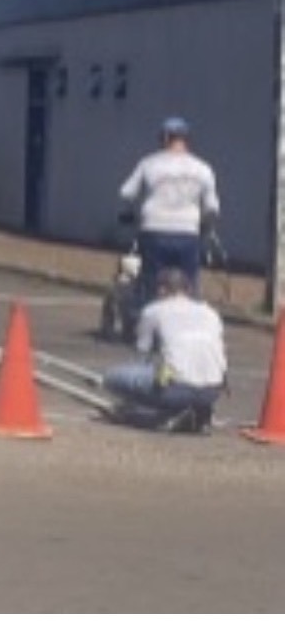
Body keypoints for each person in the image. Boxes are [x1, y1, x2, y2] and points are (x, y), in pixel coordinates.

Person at [102, 267, 227, 434]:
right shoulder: (210, 312)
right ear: (188, 289)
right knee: (171, 373)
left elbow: (142, 352)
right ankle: (198, 410)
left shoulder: (153, 310)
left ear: (161, 290)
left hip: (177, 388)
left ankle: (161, 413)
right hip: (213, 390)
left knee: (112, 377)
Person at [118, 116, 220, 305]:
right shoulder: (203, 168)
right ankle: (189, 320)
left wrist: (129, 212)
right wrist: (206, 225)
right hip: (188, 232)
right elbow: (212, 207)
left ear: (165, 138)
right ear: (187, 139)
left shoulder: (149, 164)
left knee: (151, 282)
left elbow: (127, 193)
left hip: (154, 229)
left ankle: (148, 322)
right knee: (189, 283)